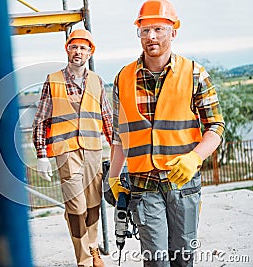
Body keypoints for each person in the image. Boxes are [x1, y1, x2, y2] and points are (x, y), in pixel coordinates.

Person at [109, 0, 225, 266]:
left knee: (183, 258)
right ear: (138, 33)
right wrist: (113, 176)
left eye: (159, 29)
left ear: (173, 32)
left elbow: (216, 126)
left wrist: (195, 158)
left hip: (183, 185)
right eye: (145, 30)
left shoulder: (195, 74)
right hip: (143, 185)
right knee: (155, 261)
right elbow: (119, 134)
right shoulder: (123, 78)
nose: (151, 36)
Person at [32, 29, 112, 267]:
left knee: (93, 205)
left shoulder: (97, 81)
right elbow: (41, 120)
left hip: (93, 151)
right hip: (66, 152)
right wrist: (41, 154)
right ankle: (84, 260)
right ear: (67, 49)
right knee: (76, 207)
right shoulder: (53, 80)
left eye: (83, 48)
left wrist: (118, 150)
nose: (78, 52)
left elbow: (107, 118)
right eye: (74, 47)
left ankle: (93, 247)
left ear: (90, 52)